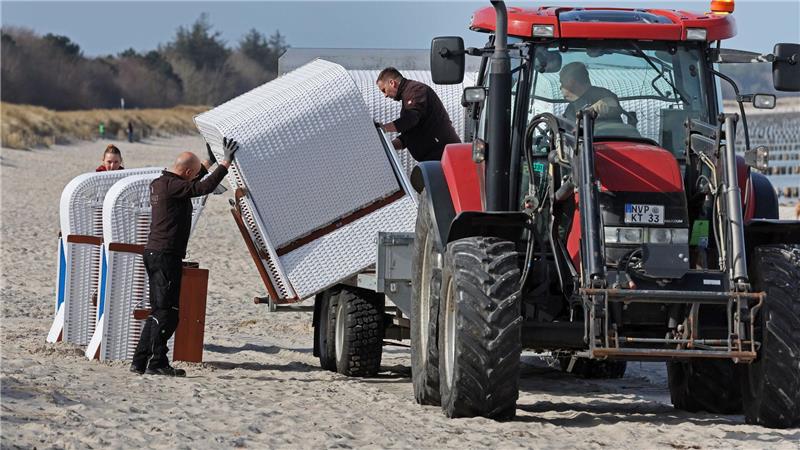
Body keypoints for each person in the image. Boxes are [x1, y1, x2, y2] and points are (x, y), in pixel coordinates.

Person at [130, 137, 239, 377]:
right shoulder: (172, 186)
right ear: (186, 172)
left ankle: (143, 362)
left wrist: (209, 161)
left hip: (158, 254)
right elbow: (200, 187)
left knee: (162, 311)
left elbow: (193, 179)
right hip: (164, 256)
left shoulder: (163, 182)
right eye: (193, 172)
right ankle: (154, 362)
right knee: (165, 313)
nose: (195, 176)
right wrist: (225, 164)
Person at [375, 67, 460, 162]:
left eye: (384, 90)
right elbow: (408, 136)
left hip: (444, 156)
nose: (385, 95)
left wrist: (383, 128)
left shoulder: (416, 90)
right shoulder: (408, 96)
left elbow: (411, 119)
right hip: (436, 158)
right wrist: (387, 147)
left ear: (392, 83)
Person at [559, 62, 624, 123]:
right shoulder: (570, 109)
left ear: (571, 81)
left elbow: (612, 101)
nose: (560, 87)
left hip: (609, 134)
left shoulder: (600, 93)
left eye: (562, 82)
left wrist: (603, 103)